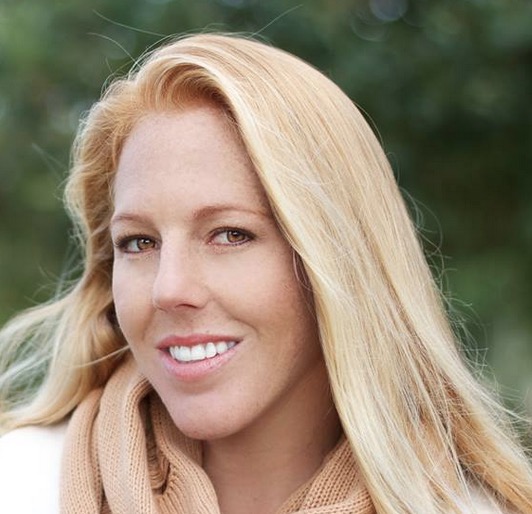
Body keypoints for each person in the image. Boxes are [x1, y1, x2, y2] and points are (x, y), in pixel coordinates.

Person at [0, 33, 531, 514]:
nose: (169, 289)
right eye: (139, 242)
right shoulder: (20, 484)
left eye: (230, 234)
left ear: (338, 257)